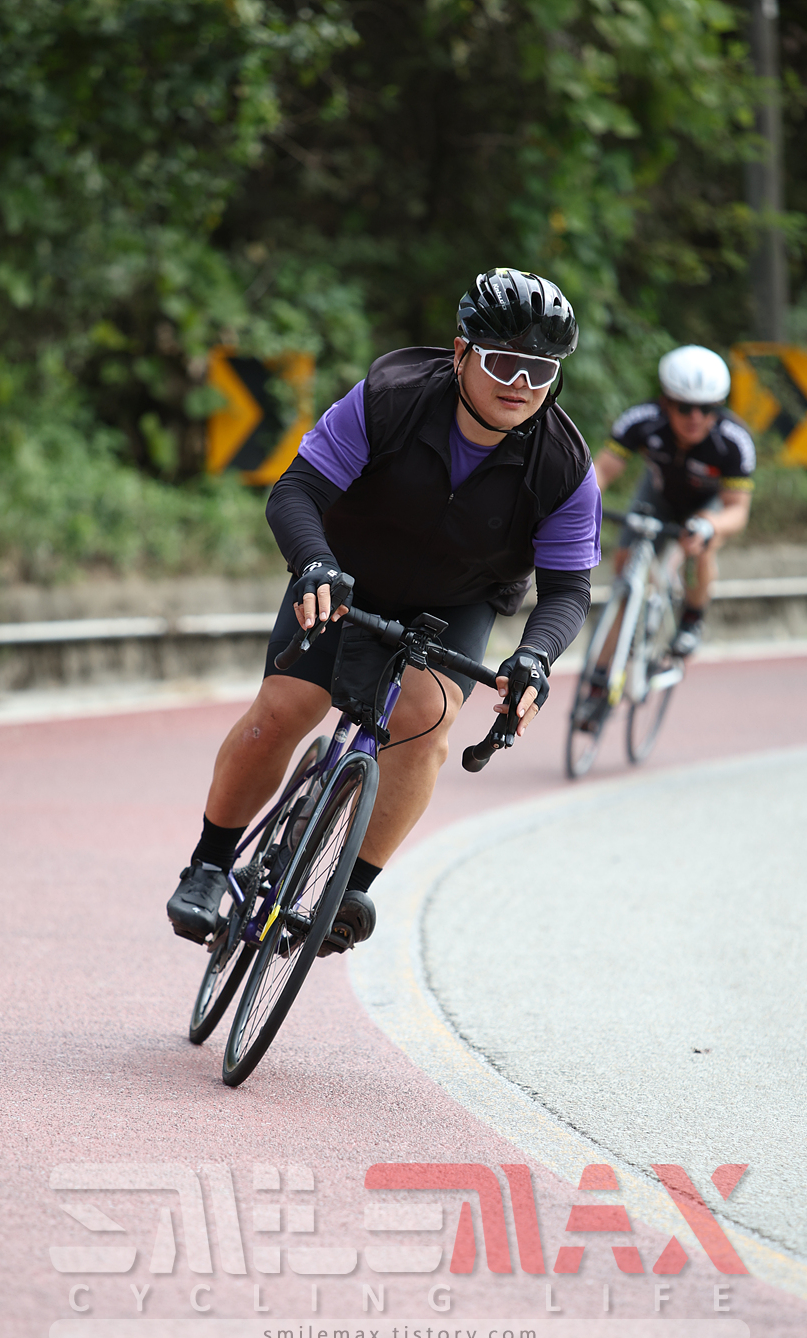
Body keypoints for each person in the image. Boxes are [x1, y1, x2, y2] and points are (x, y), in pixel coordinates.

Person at [166, 268, 602, 954]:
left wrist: (536, 657)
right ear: (461, 353)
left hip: (456, 600)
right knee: (285, 708)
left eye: (541, 370)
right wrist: (314, 564)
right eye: (503, 362)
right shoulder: (390, 397)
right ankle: (210, 864)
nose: (521, 383)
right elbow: (296, 491)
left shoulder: (564, 466)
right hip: (343, 576)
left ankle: (350, 889)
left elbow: (569, 589)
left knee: (425, 724)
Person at [592, 344, 755, 659]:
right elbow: (602, 471)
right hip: (659, 492)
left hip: (707, 505)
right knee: (624, 561)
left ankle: (692, 618)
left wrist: (711, 526)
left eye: (706, 409)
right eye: (684, 408)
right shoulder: (642, 419)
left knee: (700, 546)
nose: (695, 418)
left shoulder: (734, 440)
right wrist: (578, 504)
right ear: (666, 402)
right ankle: (620, 638)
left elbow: (738, 510)